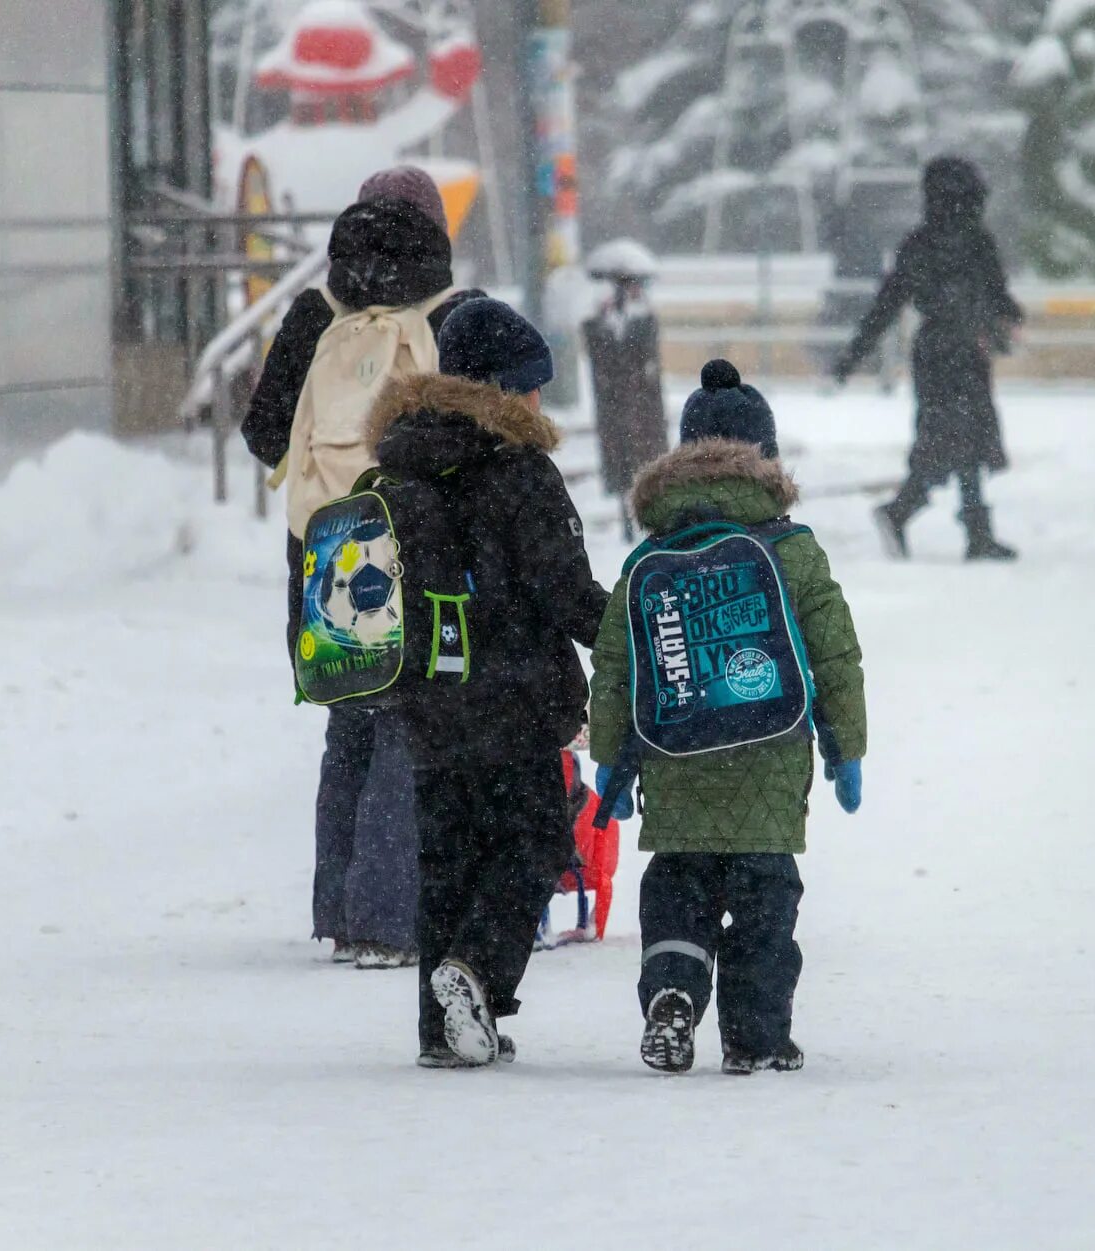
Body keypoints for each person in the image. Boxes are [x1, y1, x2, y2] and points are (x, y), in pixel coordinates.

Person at [588, 360, 868, 1075]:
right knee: (764, 907)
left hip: (676, 762)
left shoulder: (651, 555)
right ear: (765, 459)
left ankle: (673, 989)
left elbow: (619, 666)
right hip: (769, 767)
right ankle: (756, 1035)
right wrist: (845, 748)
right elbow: (836, 656)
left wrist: (613, 760)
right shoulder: (792, 550)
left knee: (678, 890)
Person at [241, 166, 482, 967]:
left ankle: (339, 908)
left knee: (349, 714)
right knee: (405, 717)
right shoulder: (448, 317)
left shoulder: (315, 313)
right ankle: (384, 918)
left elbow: (263, 431)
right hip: (408, 537)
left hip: (320, 545)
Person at [364, 296, 609, 1068]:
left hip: (427, 701)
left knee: (448, 859)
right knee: (534, 840)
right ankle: (474, 970)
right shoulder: (518, 472)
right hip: (514, 699)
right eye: (530, 385)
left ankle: (442, 1032)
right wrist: (629, 632)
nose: (538, 400)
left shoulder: (401, 465)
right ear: (505, 390)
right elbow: (564, 590)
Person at [833, 157, 1025, 562]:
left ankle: (961, 529)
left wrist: (852, 356)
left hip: (938, 352)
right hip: (962, 352)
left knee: (951, 439)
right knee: (958, 439)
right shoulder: (976, 241)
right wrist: (1007, 316)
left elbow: (887, 304)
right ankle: (912, 515)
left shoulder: (921, 244)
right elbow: (995, 292)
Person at [582, 240, 670, 540]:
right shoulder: (597, 324)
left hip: (643, 412)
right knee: (622, 466)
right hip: (615, 409)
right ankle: (627, 523)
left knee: (649, 467)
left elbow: (648, 364)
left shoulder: (645, 321)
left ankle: (646, 521)